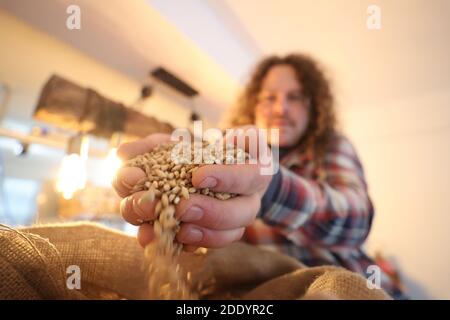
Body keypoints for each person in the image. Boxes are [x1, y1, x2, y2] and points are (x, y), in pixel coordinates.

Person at [113, 53, 406, 299]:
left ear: (314, 106)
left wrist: (269, 186)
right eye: (269, 97)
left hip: (344, 286)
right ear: (254, 105)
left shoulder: (330, 145)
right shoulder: (224, 149)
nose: (281, 108)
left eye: (295, 97)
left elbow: (355, 220)